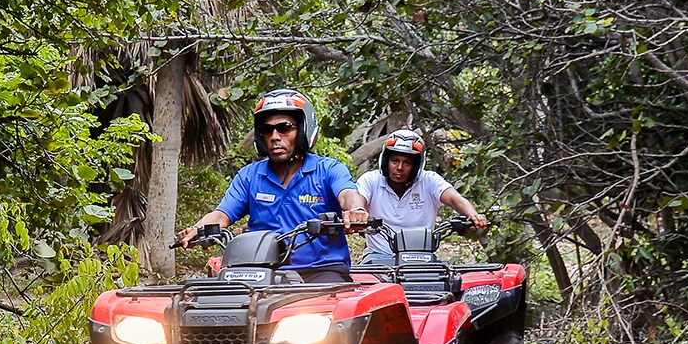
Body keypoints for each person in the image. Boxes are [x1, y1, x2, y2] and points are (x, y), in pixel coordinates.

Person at [176, 88, 369, 283]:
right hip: (260, 272)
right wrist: (197, 228)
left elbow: (347, 194)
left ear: (303, 130)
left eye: (284, 128)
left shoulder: (329, 170)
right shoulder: (249, 176)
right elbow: (222, 215)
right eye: (267, 130)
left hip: (320, 272)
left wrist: (355, 210)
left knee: (334, 308)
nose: (275, 136)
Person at [355, 128, 488, 265]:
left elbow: (455, 199)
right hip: (378, 257)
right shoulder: (371, 180)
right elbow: (358, 199)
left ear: (416, 165)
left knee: (448, 282)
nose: (400, 167)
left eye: (407, 163)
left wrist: (473, 215)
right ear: (385, 161)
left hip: (422, 259)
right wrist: (358, 212)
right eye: (395, 161)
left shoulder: (429, 180)